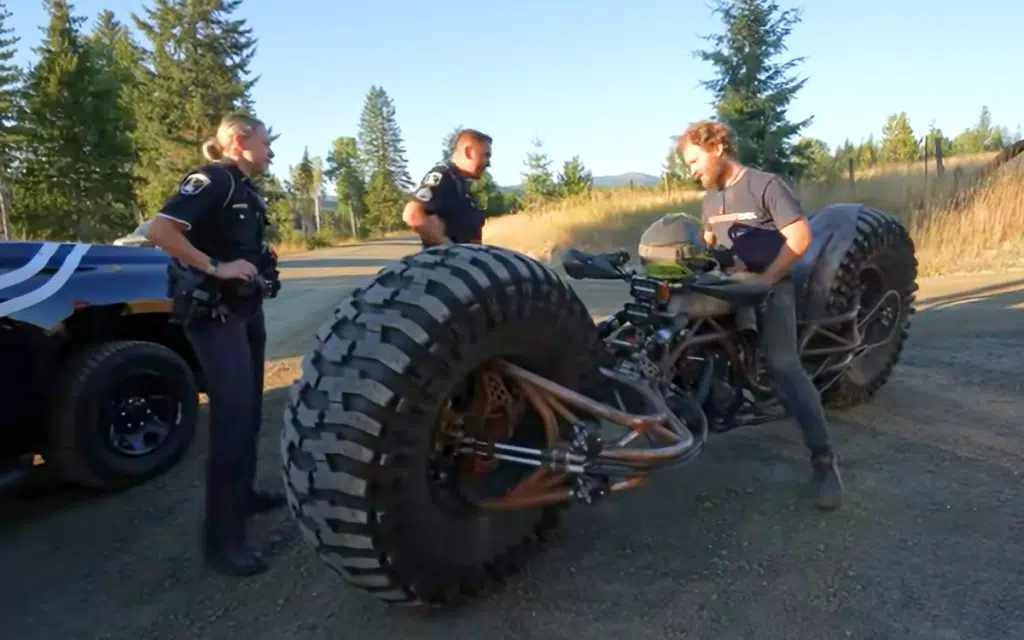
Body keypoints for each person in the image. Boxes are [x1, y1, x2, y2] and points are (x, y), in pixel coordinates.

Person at [677, 119, 844, 511]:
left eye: (694, 160)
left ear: (717, 147)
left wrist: (767, 280)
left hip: (772, 283)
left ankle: (825, 462)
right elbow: (709, 247)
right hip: (729, 285)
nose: (692, 171)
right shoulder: (710, 199)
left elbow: (800, 238)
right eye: (688, 165)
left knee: (783, 364)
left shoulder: (765, 185)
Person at [145, 113, 286, 576]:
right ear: (240, 141)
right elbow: (160, 231)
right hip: (214, 316)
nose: (271, 151)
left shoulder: (244, 188)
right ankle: (222, 543)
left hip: (245, 312)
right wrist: (216, 267)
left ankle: (244, 497)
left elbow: (237, 241)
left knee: (248, 413)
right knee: (230, 420)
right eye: (265, 143)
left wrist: (257, 261)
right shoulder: (214, 180)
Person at [402, 128, 492, 247]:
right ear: (469, 152)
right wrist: (450, 249)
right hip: (444, 264)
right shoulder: (444, 177)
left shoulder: (460, 185)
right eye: (486, 155)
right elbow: (412, 215)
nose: (488, 163)